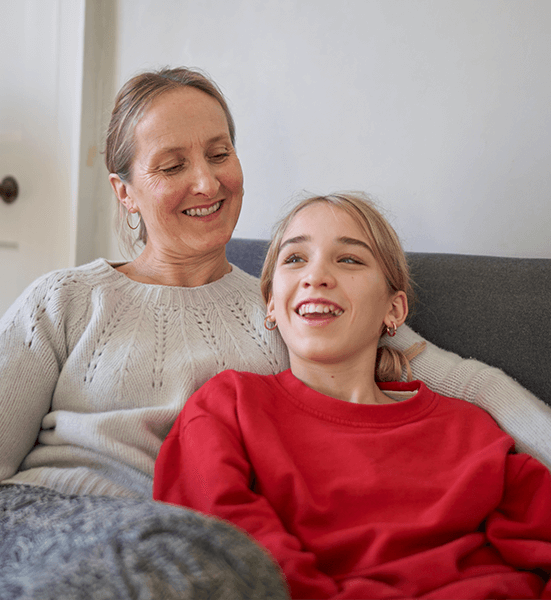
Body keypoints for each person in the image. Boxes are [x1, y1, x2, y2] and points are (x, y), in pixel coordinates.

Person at [0, 67, 550, 597]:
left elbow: (468, 382)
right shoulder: (67, 299)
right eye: (171, 165)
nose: (208, 183)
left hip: (192, 545)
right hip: (40, 516)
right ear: (125, 192)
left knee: (233, 570)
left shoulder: (289, 307)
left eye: (219, 153)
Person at [154, 192, 551, 599]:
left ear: (393, 311)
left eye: (349, 260)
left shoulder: (469, 426)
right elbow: (222, 539)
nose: (317, 276)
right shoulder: (230, 405)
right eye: (295, 259)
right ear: (271, 303)